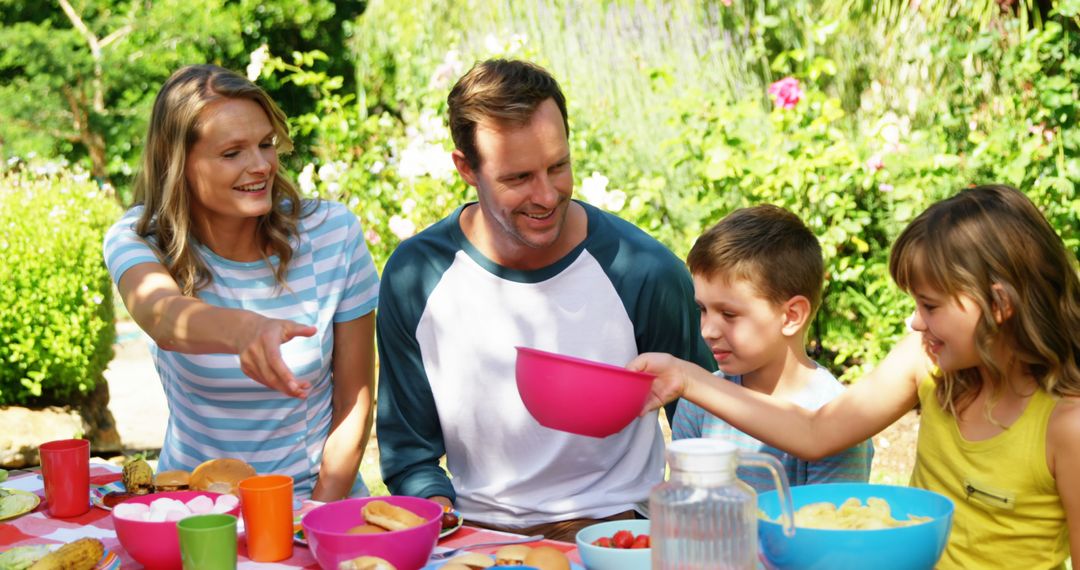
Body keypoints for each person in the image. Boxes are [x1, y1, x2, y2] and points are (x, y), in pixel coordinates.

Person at [630, 184, 1080, 568]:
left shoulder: (1067, 426)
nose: (916, 322)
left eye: (930, 305)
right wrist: (687, 378)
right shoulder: (925, 362)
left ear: (999, 306)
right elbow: (814, 430)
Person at [375, 58, 715, 542]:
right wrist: (441, 515)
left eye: (559, 166)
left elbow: (703, 429)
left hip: (618, 534)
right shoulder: (416, 275)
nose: (547, 195)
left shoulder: (644, 271)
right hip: (476, 537)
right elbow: (409, 451)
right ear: (466, 168)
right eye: (518, 178)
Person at [102, 64, 379, 501]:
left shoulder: (333, 233)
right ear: (179, 165)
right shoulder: (141, 239)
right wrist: (245, 330)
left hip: (317, 501)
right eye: (232, 153)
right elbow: (162, 315)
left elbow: (355, 403)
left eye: (265, 144)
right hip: (193, 509)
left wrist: (314, 516)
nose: (260, 166)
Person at [671, 204, 873, 492]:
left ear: (791, 316)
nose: (707, 331)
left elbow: (826, 527)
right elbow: (682, 509)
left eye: (729, 314)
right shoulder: (698, 403)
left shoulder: (836, 421)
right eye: (702, 309)